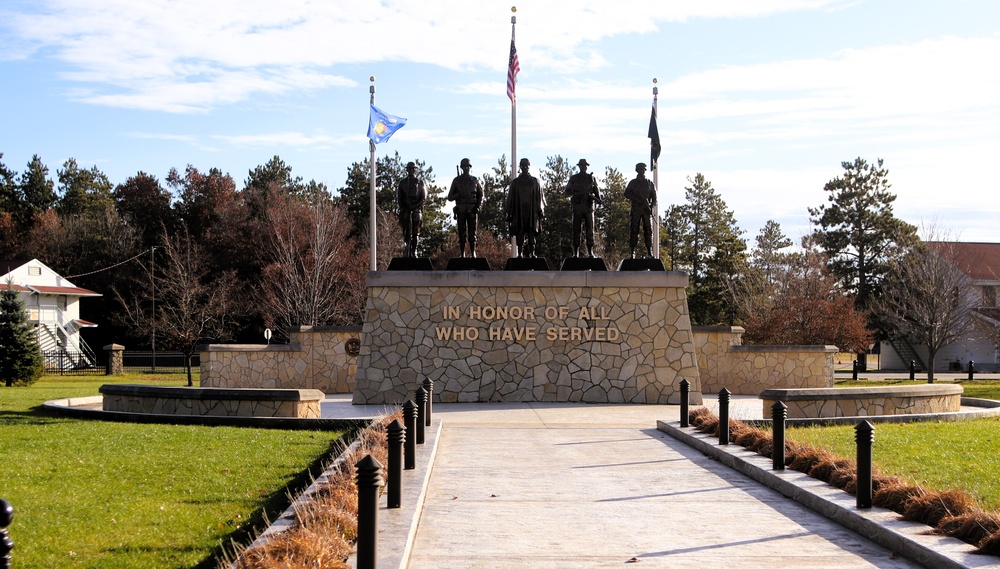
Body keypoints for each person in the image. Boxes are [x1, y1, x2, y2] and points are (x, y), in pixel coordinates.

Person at [505, 158, 545, 258]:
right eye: (523, 165)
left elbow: (540, 197)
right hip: (519, 211)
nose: (525, 167)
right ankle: (519, 253)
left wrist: (541, 209)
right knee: (520, 232)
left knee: (531, 233)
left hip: (532, 212)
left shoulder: (535, 181)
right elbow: (510, 198)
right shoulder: (515, 183)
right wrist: (508, 212)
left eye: (526, 165)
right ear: (520, 167)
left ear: (529, 166)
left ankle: (532, 252)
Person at [565, 159, 602, 258]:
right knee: (576, 230)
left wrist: (598, 199)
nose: (583, 167)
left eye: (585, 165)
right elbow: (566, 191)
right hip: (577, 207)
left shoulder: (591, 178)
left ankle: (590, 252)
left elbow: (596, 192)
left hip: (589, 208)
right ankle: (575, 253)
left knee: (590, 230)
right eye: (581, 165)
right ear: (579, 166)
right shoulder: (574, 178)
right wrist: (576, 194)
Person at [447, 158, 484, 258]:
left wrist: (478, 206)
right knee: (461, 232)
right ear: (462, 168)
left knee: (473, 232)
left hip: (472, 208)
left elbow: (481, 195)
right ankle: (462, 252)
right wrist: (458, 195)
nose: (466, 168)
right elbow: (450, 197)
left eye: (468, 166)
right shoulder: (457, 180)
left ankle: (473, 252)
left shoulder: (475, 180)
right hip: (461, 208)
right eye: (465, 166)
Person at [624, 162, 657, 259]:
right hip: (636, 209)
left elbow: (654, 197)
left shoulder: (649, 183)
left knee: (648, 230)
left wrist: (651, 205)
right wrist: (636, 199)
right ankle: (632, 252)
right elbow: (626, 193)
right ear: (637, 170)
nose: (641, 171)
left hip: (646, 210)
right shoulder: (633, 183)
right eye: (639, 169)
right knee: (634, 229)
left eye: (643, 170)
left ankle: (649, 252)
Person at [396, 161, 425, 257]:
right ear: (407, 170)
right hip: (406, 210)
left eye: (413, 169)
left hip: (416, 210)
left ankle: (414, 251)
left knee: (415, 232)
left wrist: (415, 206)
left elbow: (423, 198)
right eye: (409, 169)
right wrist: (404, 207)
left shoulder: (420, 183)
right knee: (406, 232)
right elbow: (399, 197)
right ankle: (407, 251)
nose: (411, 171)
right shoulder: (403, 183)